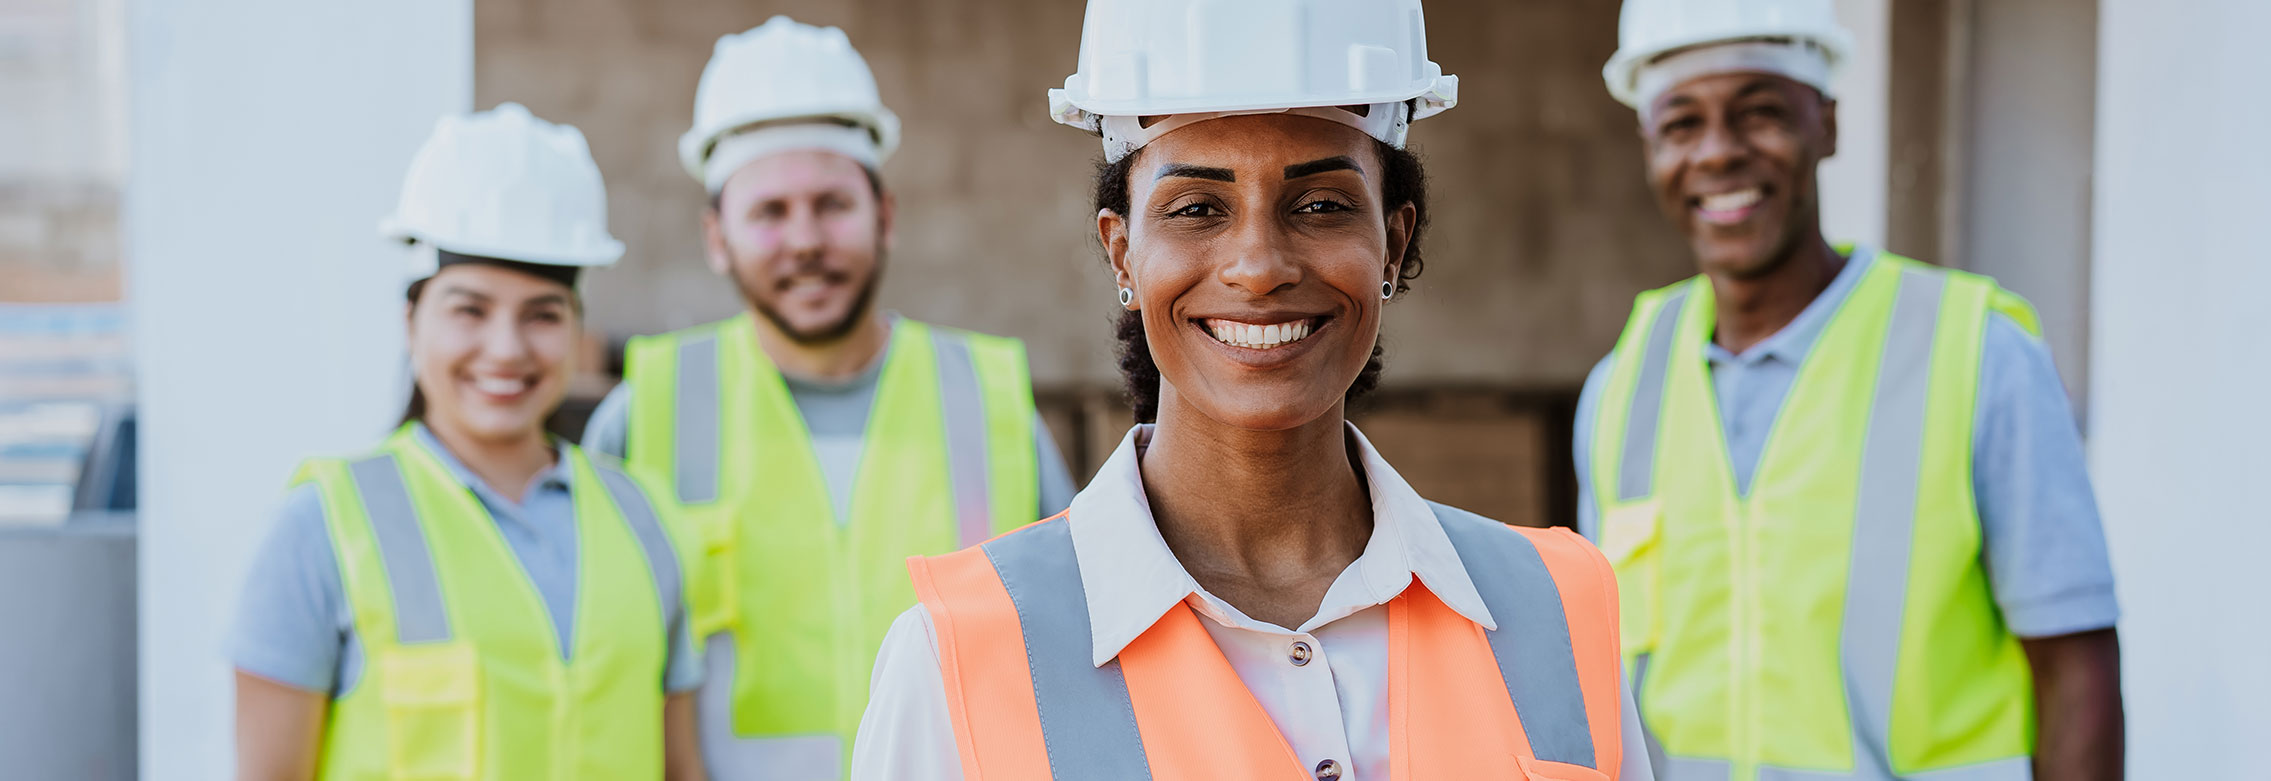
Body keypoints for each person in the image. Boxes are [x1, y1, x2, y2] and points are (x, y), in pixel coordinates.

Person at [853, 2, 1652, 779]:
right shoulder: (959, 653)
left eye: (1321, 205)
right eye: (1197, 208)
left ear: (1393, 239)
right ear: (1122, 254)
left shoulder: (1556, 611)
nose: (1259, 264)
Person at [1574, 1, 2127, 779]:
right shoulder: (1620, 386)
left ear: (1824, 124)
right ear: (1648, 148)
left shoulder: (1976, 351)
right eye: (1680, 123)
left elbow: (2075, 666)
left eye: (1759, 112)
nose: (1718, 152)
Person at [578, 17, 1076, 779]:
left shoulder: (991, 401)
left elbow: (1069, 645)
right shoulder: (644, 413)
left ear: (885, 216)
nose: (805, 239)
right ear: (717, 237)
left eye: (831, 204)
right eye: (769, 212)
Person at [231, 104, 706, 780]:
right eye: (469, 310)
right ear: (411, 321)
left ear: (577, 332)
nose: (506, 348)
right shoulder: (323, 525)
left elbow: (680, 768)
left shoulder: (645, 518)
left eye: (542, 314)